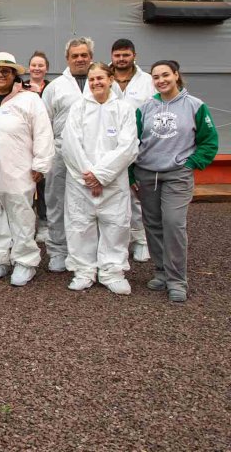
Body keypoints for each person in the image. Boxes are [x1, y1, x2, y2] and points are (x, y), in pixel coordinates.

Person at [133, 60, 218, 303]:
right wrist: (131, 174)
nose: (161, 80)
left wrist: (192, 163)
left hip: (177, 175)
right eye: (156, 77)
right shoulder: (145, 108)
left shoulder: (195, 106)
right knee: (153, 224)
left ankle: (177, 279)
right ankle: (161, 272)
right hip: (147, 174)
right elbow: (134, 142)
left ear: (176, 75)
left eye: (165, 75)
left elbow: (209, 141)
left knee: (173, 223)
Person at [0, 52, 54, 286]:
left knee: (21, 215)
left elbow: (43, 133)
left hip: (18, 169)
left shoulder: (29, 100)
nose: (0, 75)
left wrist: (41, 163)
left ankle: (25, 261)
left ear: (14, 75)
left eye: (5, 71)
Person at [62, 63, 138, 294]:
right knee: (79, 225)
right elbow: (70, 143)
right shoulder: (78, 108)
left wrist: (101, 175)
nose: (96, 83)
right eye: (92, 79)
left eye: (101, 78)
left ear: (111, 79)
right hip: (80, 181)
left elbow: (128, 147)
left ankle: (112, 272)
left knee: (116, 225)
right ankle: (84, 271)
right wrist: (89, 175)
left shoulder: (124, 109)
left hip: (113, 183)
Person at [42, 36, 93, 272]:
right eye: (75, 55)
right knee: (56, 202)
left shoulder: (102, 82)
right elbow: (44, 123)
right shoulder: (55, 87)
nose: (80, 59)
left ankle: (86, 252)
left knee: (91, 204)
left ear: (91, 57)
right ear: (67, 58)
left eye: (84, 55)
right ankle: (58, 250)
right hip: (61, 152)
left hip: (94, 153)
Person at [110, 38, 155, 262]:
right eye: (117, 55)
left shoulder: (147, 81)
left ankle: (141, 241)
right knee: (113, 197)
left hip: (141, 147)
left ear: (134, 55)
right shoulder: (104, 79)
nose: (121, 59)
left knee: (138, 196)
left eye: (125, 55)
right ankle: (116, 243)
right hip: (109, 148)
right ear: (112, 56)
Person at [27, 51, 51, 244]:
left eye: (40, 65)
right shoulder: (21, 88)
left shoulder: (52, 88)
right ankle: (26, 225)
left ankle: (43, 223)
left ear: (46, 69)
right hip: (25, 143)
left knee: (43, 185)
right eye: (34, 65)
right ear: (29, 68)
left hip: (45, 141)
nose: (37, 68)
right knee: (26, 184)